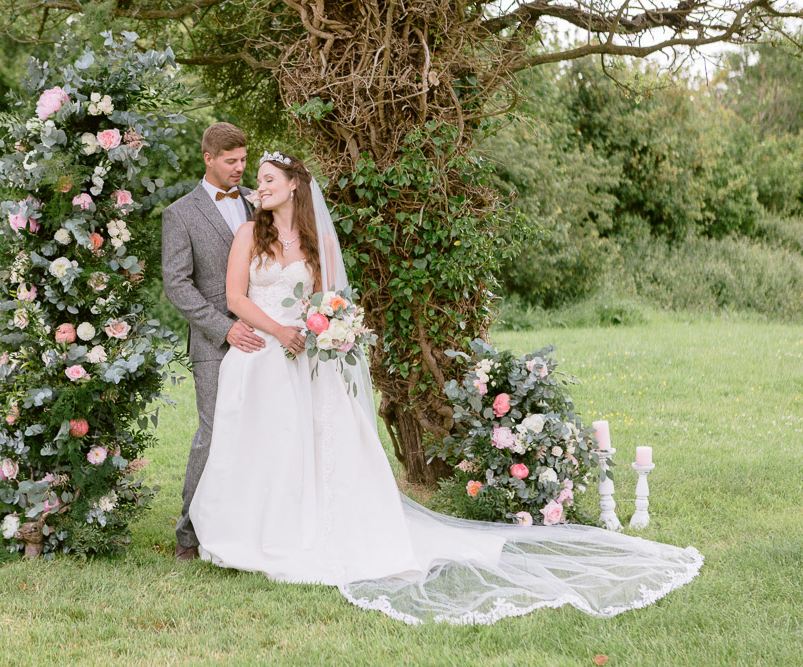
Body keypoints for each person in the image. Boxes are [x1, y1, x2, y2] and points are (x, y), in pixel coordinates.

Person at [188, 151, 703, 625]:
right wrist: (279, 331)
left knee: (314, 447)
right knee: (266, 445)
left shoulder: (315, 242)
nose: (260, 187)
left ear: (295, 186)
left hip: (309, 357)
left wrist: (329, 326)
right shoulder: (248, 237)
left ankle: (320, 526)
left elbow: (327, 299)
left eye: (269, 180)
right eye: (258, 180)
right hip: (263, 355)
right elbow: (235, 296)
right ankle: (253, 533)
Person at [161, 122, 267, 562]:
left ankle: (250, 521)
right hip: (213, 343)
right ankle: (189, 533)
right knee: (213, 431)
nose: (241, 169)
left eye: (244, 160)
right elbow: (177, 285)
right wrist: (223, 327)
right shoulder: (180, 214)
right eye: (231, 162)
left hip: (263, 339)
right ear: (208, 158)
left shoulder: (258, 204)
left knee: (261, 429)